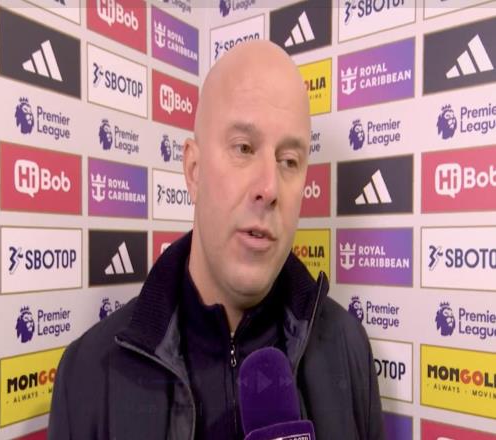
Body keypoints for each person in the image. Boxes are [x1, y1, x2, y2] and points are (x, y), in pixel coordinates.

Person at [49, 40, 383, 440]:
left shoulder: (348, 348)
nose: (269, 188)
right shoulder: (87, 374)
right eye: (244, 148)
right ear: (194, 170)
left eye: (289, 161)